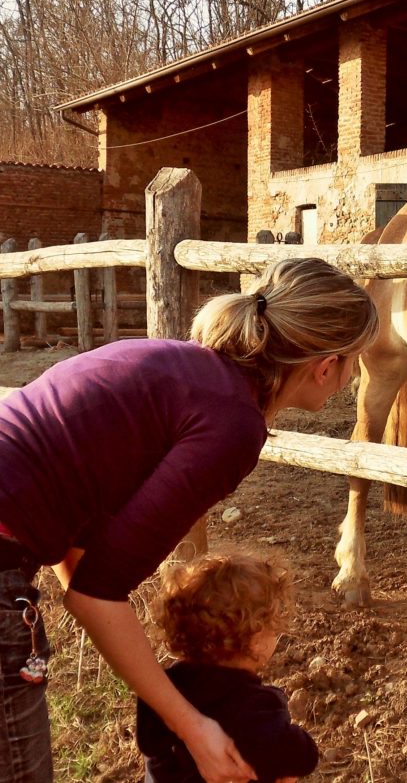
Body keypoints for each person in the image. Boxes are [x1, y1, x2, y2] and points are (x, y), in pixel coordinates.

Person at [0, 257, 377, 783]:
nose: (352, 379)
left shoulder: (176, 366)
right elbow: (95, 593)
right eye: (354, 362)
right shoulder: (232, 423)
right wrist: (193, 727)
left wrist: (156, 680)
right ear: (326, 365)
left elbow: (81, 538)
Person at [137, 551, 318, 783]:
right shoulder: (253, 706)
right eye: (274, 628)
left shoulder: (163, 690)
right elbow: (302, 757)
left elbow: (148, 742)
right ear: (256, 641)